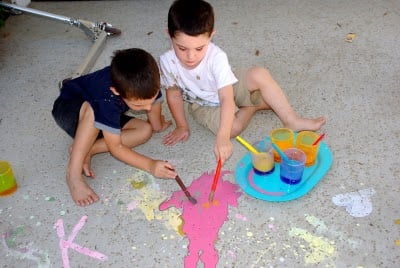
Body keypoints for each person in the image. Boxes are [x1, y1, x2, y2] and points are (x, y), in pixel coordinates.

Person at [160, 0, 326, 165]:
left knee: (259, 74)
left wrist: (222, 138)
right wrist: (182, 125)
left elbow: (226, 97)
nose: (191, 57)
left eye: (199, 48)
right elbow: (173, 94)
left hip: (228, 86)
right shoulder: (167, 61)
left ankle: (291, 120)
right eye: (182, 48)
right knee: (233, 129)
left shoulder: (217, 58)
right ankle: (251, 107)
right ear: (169, 35)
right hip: (202, 103)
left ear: (211, 36)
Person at [52, 48, 177, 207]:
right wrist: (150, 165)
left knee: (145, 130)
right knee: (93, 110)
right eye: (139, 104)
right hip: (71, 111)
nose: (147, 108)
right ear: (116, 91)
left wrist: (157, 125)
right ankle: (73, 174)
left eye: (149, 101)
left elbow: (154, 103)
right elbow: (116, 147)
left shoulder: (147, 81)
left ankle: (87, 149)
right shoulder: (106, 98)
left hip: (106, 111)